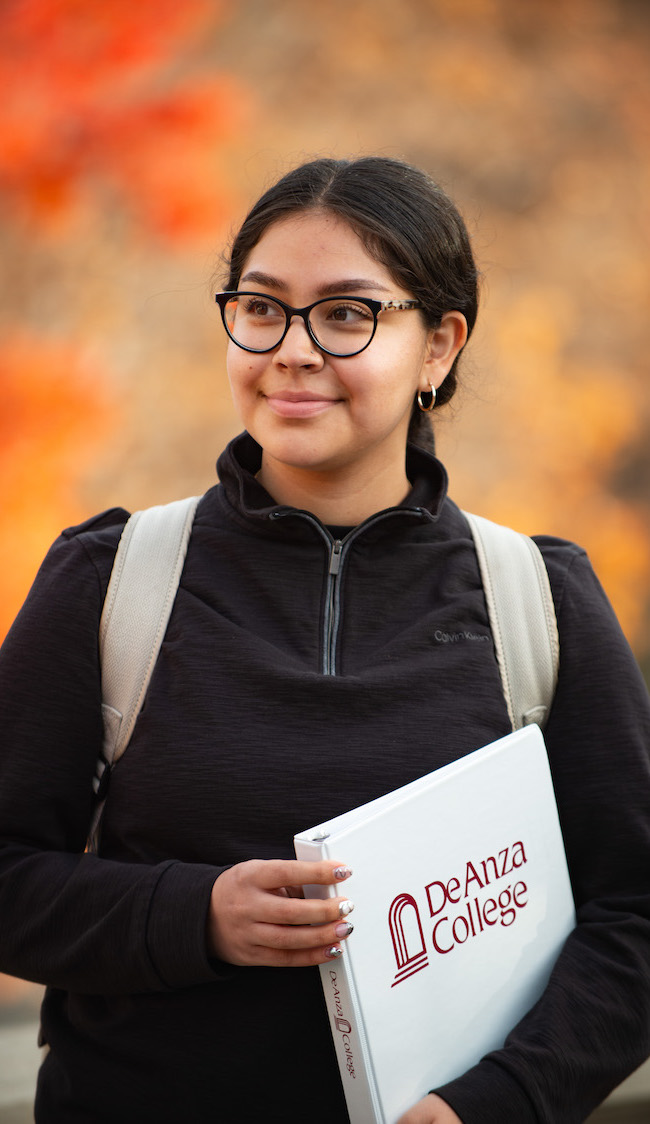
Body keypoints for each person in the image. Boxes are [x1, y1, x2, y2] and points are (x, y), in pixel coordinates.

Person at [0, 156, 649, 1124]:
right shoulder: (113, 578)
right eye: (261, 307)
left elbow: (633, 919)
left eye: (346, 314)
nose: (291, 349)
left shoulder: (538, 601)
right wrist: (196, 916)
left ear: (438, 345)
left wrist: (499, 1100)